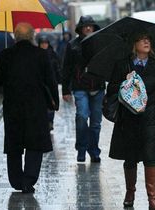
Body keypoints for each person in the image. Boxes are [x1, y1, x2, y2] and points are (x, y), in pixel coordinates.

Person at [106, 32, 155, 209]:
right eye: (142, 39)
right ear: (134, 44)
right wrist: (125, 81)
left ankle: (152, 199)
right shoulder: (123, 64)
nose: (146, 42)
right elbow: (111, 90)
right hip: (128, 119)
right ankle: (130, 192)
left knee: (150, 157)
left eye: (148, 39)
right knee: (130, 158)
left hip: (150, 118)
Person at [0, 23, 59, 193]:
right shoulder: (41, 55)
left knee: (14, 142)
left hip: (13, 106)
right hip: (35, 105)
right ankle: (28, 180)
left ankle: (16, 180)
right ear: (32, 37)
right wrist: (54, 102)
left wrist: (0, 66)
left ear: (15, 37)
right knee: (34, 143)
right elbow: (50, 80)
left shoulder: (4, 55)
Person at [62, 15, 105, 163]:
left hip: (98, 87)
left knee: (95, 123)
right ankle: (81, 149)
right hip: (80, 87)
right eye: (85, 26)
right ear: (80, 28)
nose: (88, 28)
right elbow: (66, 68)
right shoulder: (72, 45)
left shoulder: (100, 44)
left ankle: (94, 151)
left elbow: (107, 66)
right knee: (82, 116)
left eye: (90, 26)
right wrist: (65, 90)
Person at [38, 35, 61, 130]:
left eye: (45, 43)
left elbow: (58, 68)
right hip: (41, 84)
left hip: (51, 83)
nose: (44, 45)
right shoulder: (36, 55)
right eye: (42, 43)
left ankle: (50, 121)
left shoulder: (53, 55)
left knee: (52, 103)